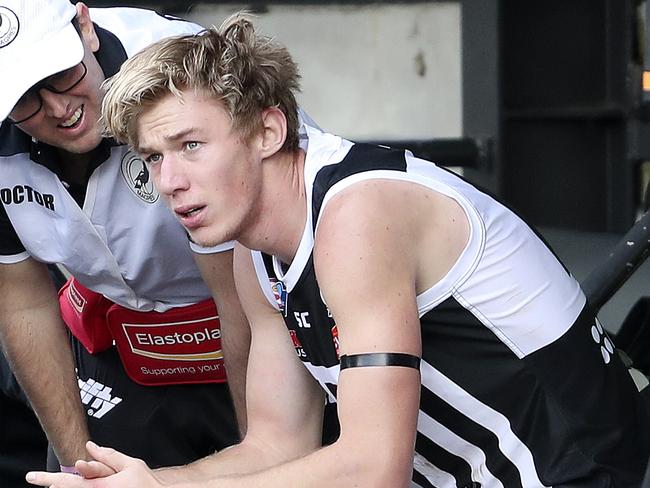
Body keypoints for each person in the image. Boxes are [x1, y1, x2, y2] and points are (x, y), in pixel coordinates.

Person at [28, 14, 650, 488]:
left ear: (269, 131)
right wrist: (153, 480)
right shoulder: (255, 253)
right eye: (154, 158)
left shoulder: (357, 215)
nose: (169, 182)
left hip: (580, 470)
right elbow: (277, 444)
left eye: (191, 145)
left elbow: (373, 467)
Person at [0, 0, 249, 476]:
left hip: (249, 310)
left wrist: (255, 455)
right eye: (22, 96)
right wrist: (80, 468)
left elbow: (243, 285)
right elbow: (23, 302)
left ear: (84, 27)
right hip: (113, 333)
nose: (58, 107)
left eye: (60, 72)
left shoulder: (184, 72)